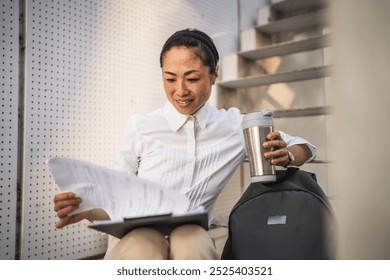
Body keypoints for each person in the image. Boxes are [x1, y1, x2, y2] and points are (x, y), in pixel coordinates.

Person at [53, 28, 316, 260]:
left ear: (215, 74)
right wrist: (85, 208)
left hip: (191, 233)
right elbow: (115, 204)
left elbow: (305, 146)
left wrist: (288, 155)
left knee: (192, 242)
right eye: (170, 79)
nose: (180, 90)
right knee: (145, 245)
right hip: (136, 236)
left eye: (192, 78)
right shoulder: (141, 126)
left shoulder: (234, 125)